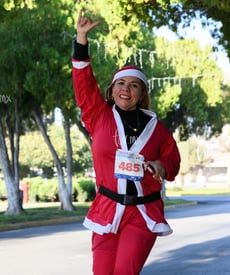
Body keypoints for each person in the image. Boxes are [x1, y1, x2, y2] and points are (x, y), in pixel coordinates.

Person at [72, 10, 181, 275]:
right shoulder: (99, 115)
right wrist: (81, 40)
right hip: (107, 209)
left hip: (142, 211)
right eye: (121, 83)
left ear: (142, 93)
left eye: (134, 85)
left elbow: (173, 159)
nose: (126, 89)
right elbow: (84, 84)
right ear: (112, 89)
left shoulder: (156, 128)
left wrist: (161, 165)